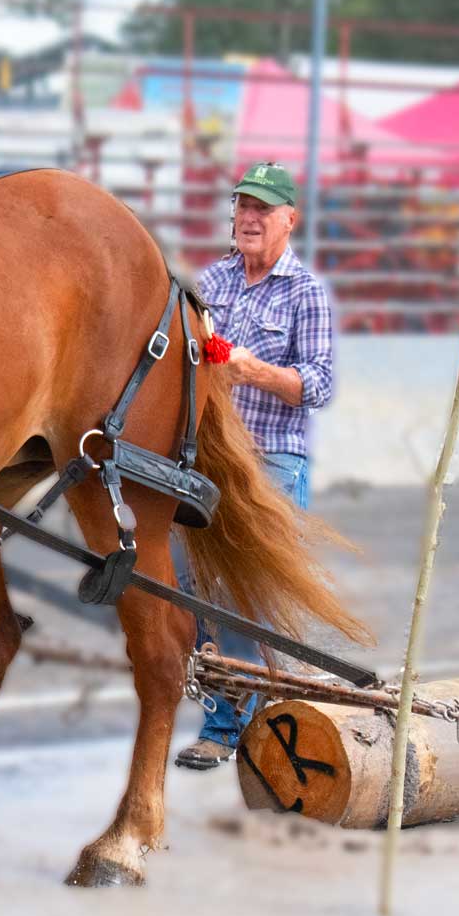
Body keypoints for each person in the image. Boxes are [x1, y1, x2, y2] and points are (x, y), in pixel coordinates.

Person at [174, 161, 338, 771]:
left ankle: (225, 725)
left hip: (271, 462)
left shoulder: (305, 292)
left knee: (242, 597)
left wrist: (254, 372)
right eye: (242, 205)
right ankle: (251, 698)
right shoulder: (209, 282)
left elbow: (317, 386)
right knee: (191, 586)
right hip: (208, 459)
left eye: (261, 209)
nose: (247, 217)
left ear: (288, 220)